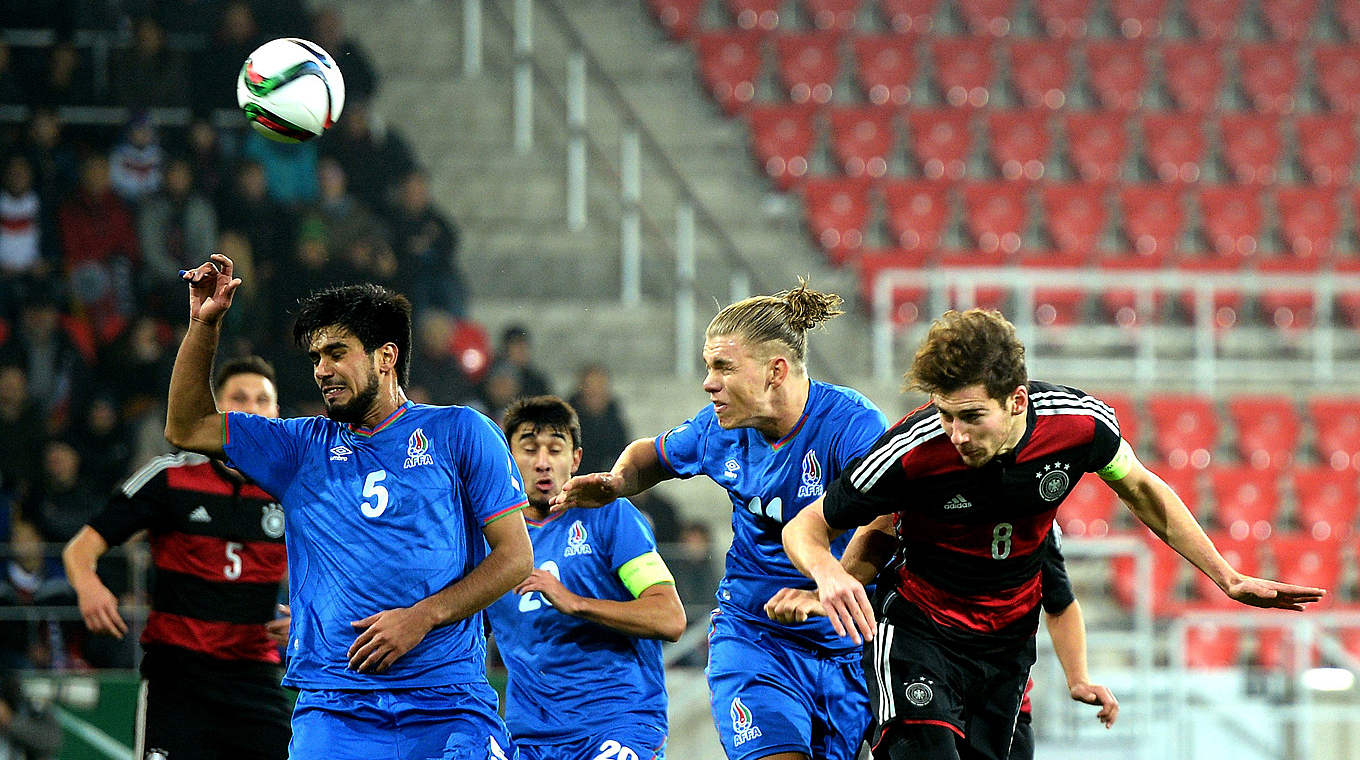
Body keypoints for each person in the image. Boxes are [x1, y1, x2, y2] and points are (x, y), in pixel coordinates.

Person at [779, 308, 1325, 760]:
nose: (956, 434)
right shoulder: (912, 450)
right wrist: (828, 576)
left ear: (1017, 401)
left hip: (1007, 646)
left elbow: (1141, 488)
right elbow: (807, 526)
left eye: (972, 416)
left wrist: (1227, 577)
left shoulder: (1079, 426)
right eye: (946, 415)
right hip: (920, 633)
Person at [163, 254, 532, 759]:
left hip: (448, 703)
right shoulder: (300, 447)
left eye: (337, 353)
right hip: (336, 708)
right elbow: (186, 427)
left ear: (385, 356)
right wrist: (204, 326)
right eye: (316, 358)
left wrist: (422, 617)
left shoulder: (460, 432)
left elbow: (515, 556)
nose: (322, 370)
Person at [555, 282, 890, 760]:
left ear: (776, 371)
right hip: (755, 636)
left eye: (723, 367)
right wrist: (618, 481)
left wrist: (826, 592)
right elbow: (652, 456)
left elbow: (885, 523)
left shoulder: (851, 426)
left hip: (846, 647)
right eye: (708, 367)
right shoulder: (717, 429)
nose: (708, 383)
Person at [63, 356, 292, 760]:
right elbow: (80, 548)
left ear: (276, 413)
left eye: (262, 400)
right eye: (239, 398)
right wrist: (88, 585)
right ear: (216, 410)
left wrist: (309, 620)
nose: (252, 410)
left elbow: (338, 568)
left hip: (254, 676)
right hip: (177, 678)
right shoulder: (169, 476)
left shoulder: (294, 488)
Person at [486, 395, 685, 760]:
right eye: (529, 450)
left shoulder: (612, 516)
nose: (542, 463)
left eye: (555, 450)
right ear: (508, 459)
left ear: (575, 459)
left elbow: (669, 618)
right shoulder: (490, 542)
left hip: (616, 725)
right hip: (529, 737)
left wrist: (575, 603)